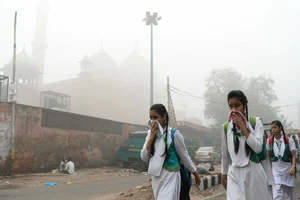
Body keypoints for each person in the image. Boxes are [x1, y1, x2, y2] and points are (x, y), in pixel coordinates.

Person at [140, 103, 200, 200]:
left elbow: (185, 157)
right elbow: (144, 157)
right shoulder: (150, 134)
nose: (153, 121)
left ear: (164, 117)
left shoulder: (174, 135)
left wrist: (195, 174)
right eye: (151, 118)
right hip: (157, 178)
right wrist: (151, 137)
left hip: (171, 176)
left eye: (155, 117)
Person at [221, 90, 272, 200]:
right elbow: (225, 153)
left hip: (253, 173)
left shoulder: (255, 122)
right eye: (231, 106)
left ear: (245, 105)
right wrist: (224, 173)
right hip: (234, 173)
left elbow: (258, 148)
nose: (234, 110)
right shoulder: (226, 127)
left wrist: (243, 127)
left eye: (237, 105)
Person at [266, 120, 296, 200]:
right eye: (272, 128)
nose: (273, 129)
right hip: (276, 170)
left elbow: (293, 155)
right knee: (277, 193)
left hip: (287, 170)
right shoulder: (269, 141)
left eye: (275, 127)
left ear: (280, 128)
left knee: (290, 195)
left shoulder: (288, 140)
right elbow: (267, 155)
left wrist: (293, 167)